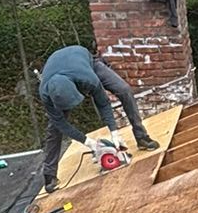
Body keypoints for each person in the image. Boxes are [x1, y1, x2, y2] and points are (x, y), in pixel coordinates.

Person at [38, 44, 156, 193]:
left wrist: (114, 132)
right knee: (54, 128)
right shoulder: (45, 93)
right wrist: (88, 142)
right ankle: (49, 175)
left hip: (86, 62)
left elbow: (103, 103)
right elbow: (60, 123)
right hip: (61, 70)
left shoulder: (87, 78)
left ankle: (142, 137)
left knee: (124, 90)